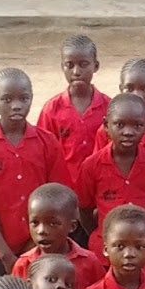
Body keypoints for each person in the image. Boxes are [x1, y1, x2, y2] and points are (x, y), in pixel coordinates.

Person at [0, 68, 61, 275]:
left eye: (24, 98)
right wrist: (6, 256)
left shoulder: (48, 142)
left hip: (39, 247)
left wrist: (31, 248)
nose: (16, 106)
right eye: (7, 99)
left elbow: (55, 198)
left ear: (31, 98)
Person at [77, 94, 145, 248]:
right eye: (120, 125)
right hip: (105, 248)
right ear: (106, 125)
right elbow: (84, 209)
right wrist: (101, 234)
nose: (128, 132)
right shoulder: (91, 166)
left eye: (137, 125)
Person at [35, 35, 109, 190]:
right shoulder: (51, 109)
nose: (76, 71)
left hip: (101, 186)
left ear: (96, 66)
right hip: (63, 189)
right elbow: (42, 153)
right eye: (69, 65)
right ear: (62, 67)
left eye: (83, 64)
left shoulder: (109, 108)